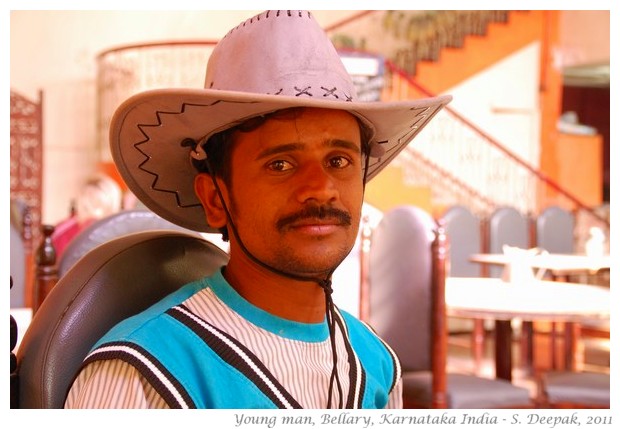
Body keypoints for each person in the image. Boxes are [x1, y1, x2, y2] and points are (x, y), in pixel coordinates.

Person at [65, 10, 451, 409]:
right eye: (280, 164)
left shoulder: (377, 364)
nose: (321, 188)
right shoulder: (142, 376)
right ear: (216, 198)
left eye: (339, 161)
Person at [51, 173, 122, 259]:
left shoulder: (119, 237)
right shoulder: (61, 232)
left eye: (97, 206)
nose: (93, 214)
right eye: (86, 208)